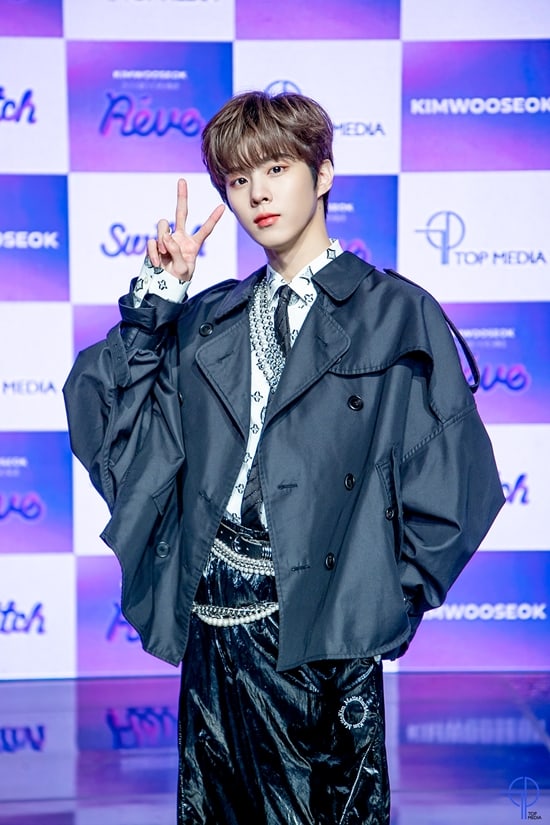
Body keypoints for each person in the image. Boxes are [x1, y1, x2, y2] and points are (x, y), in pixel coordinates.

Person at [64, 91, 504, 824]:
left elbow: (458, 480)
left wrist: (383, 598)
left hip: (327, 629)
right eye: (239, 180)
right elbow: (107, 413)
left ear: (322, 173)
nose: (258, 194)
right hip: (214, 626)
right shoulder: (209, 317)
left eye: (276, 169)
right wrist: (159, 297)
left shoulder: (394, 313)